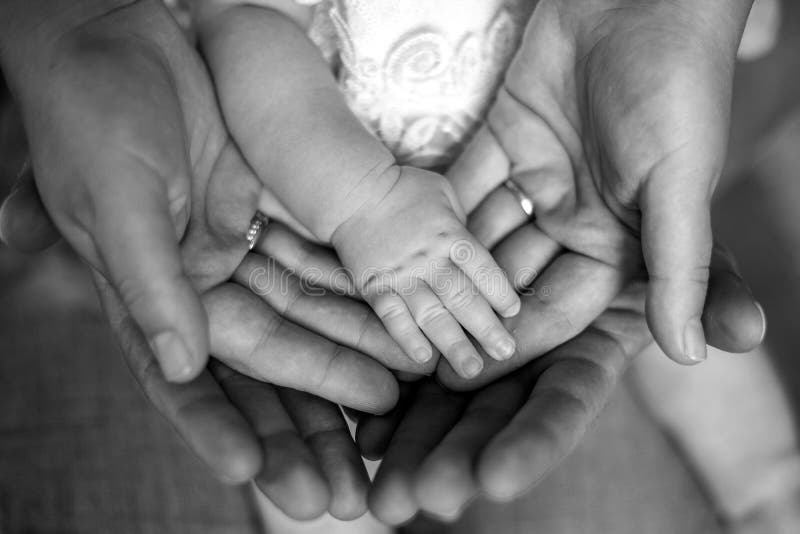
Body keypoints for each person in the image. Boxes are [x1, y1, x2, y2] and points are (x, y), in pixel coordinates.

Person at [0, 0, 774, 531]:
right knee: (317, 426)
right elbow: (246, 25)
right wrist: (365, 202)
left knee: (671, 321)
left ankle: (768, 483)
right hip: (319, 213)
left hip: (541, 190)